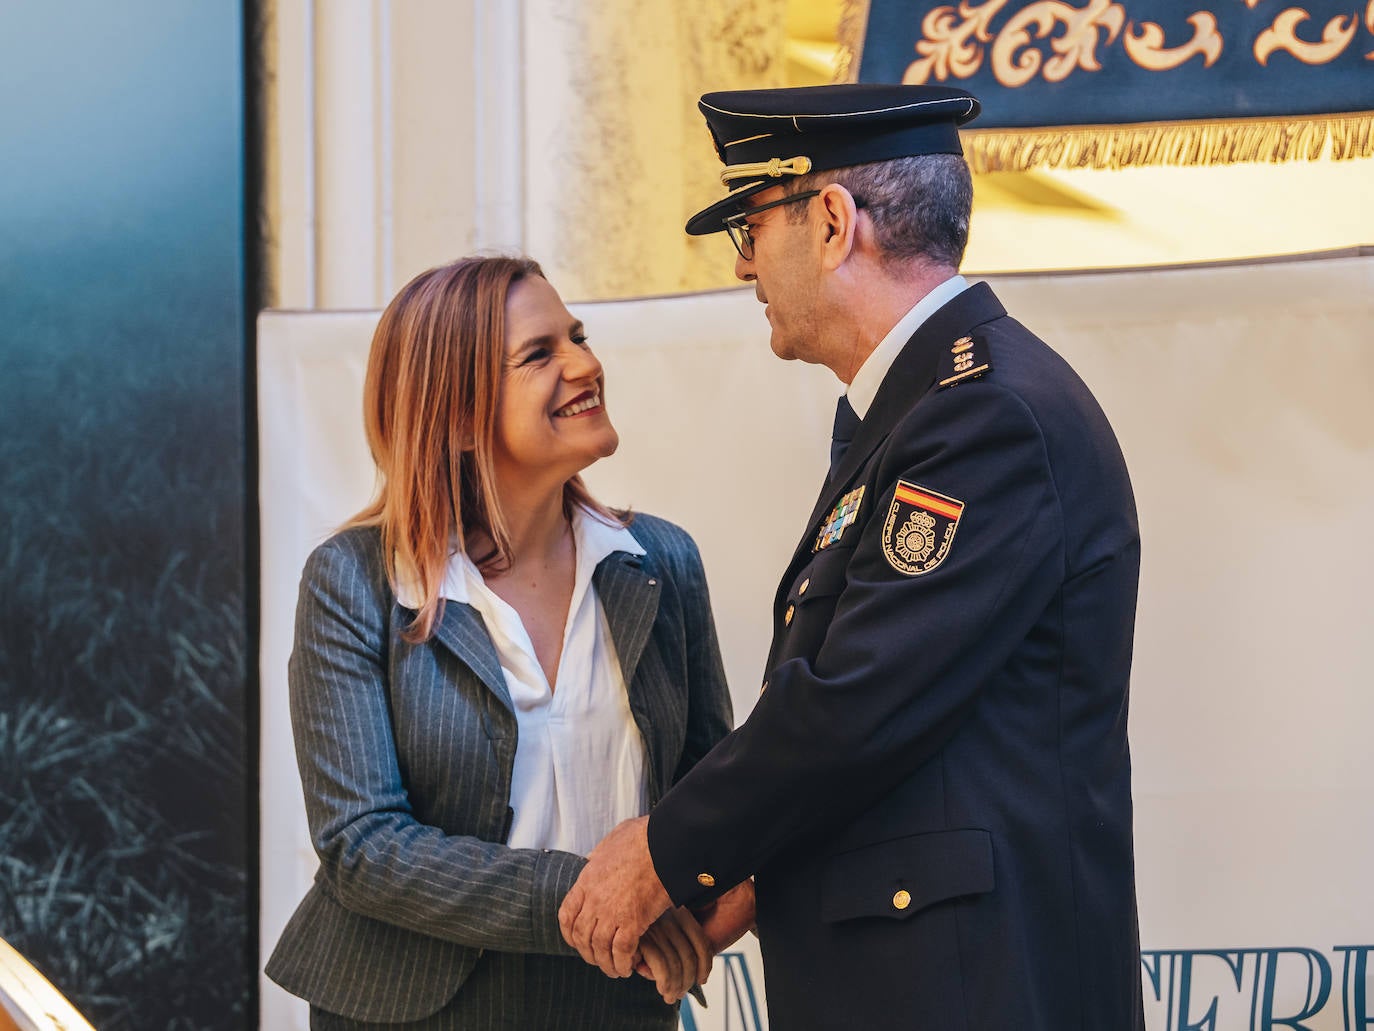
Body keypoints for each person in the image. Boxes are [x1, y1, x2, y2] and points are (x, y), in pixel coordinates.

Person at [559, 84, 1145, 1030]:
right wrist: (755, 870)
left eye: (751, 225)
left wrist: (666, 850)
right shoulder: (926, 409)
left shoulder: (981, 417)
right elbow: (905, 726)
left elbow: (857, 703)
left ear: (832, 222)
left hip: (966, 989)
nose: (745, 264)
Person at [266, 255, 734, 1029]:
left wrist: (707, 889)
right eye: (540, 353)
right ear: (453, 415)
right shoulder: (352, 580)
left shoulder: (663, 561)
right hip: (410, 1009)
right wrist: (598, 895)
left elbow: (707, 785)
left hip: (617, 999)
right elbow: (362, 843)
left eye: (577, 337)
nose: (586, 364)